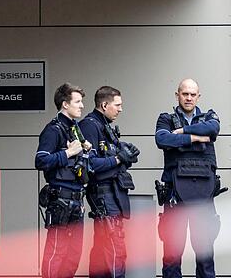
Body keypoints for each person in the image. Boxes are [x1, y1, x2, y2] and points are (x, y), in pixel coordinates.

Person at [155, 78, 222, 278]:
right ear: (178, 95)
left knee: (205, 254)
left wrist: (183, 132)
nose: (189, 98)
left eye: (193, 94)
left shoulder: (209, 116)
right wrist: (195, 139)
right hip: (175, 196)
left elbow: (213, 129)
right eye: (185, 94)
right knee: (172, 255)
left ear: (198, 96)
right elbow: (162, 138)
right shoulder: (166, 119)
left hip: (203, 196)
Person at [79, 86, 139, 278]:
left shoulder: (105, 126)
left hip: (113, 194)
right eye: (117, 105)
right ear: (104, 105)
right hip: (103, 195)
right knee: (115, 251)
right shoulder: (90, 125)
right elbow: (90, 164)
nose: (120, 109)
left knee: (102, 253)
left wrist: (125, 154)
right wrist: (118, 159)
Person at [35, 83, 92, 278]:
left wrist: (84, 150)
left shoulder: (74, 129)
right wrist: (69, 152)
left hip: (77, 199)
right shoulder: (53, 129)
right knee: (56, 251)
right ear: (65, 105)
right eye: (77, 101)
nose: (82, 106)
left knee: (73, 254)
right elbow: (41, 160)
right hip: (60, 200)